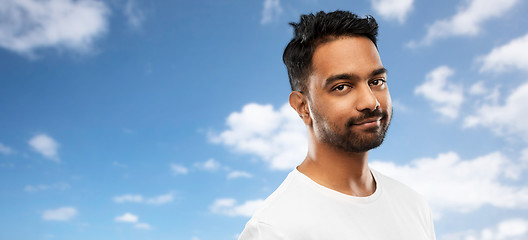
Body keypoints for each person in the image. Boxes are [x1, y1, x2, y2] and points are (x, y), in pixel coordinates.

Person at [238, 10, 436, 240]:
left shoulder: (413, 205)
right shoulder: (274, 229)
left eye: (377, 81)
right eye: (342, 86)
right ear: (302, 106)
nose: (370, 101)